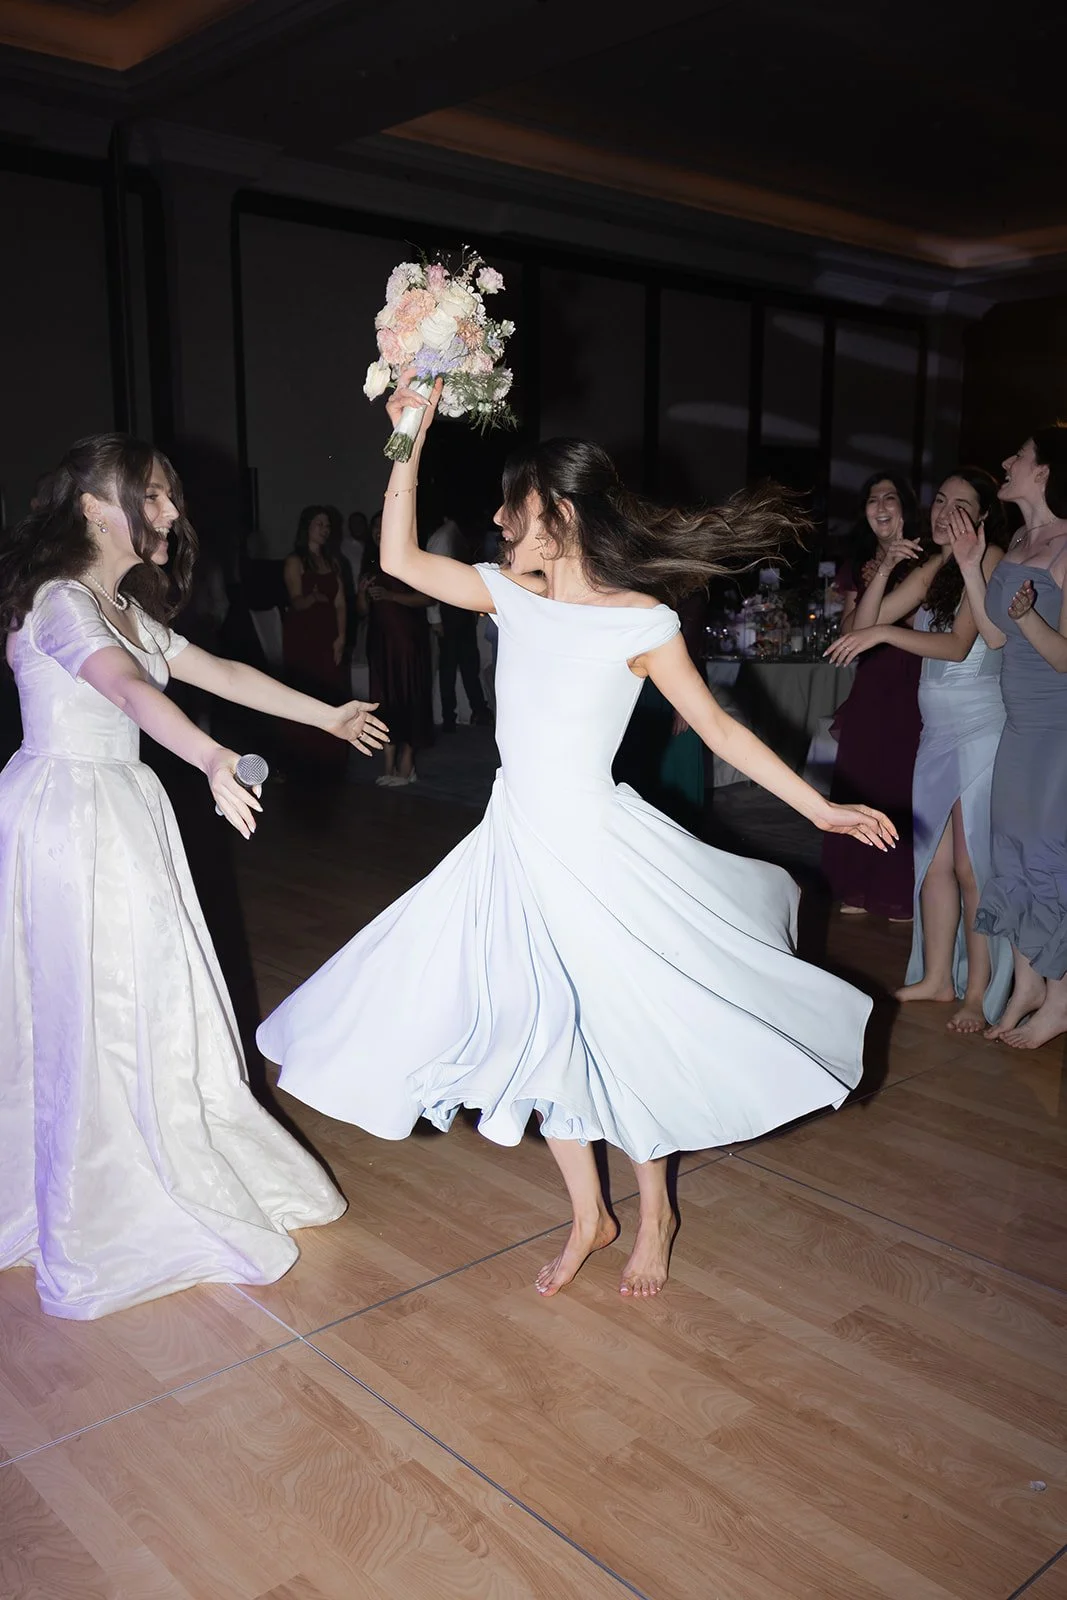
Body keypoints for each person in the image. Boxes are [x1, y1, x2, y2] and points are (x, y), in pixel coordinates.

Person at [258, 375, 896, 1302]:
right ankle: (589, 1214)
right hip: (512, 845)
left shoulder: (641, 621)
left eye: (510, 503)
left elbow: (720, 731)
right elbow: (396, 554)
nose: (495, 517)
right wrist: (407, 432)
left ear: (551, 510)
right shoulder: (506, 595)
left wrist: (819, 808)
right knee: (533, 1025)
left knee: (622, 1026)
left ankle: (655, 1209)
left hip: (598, 852)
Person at [0, 433, 389, 1320]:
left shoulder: (120, 607)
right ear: (97, 508)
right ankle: (92, 1194)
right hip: (68, 813)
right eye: (153, 495)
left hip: (119, 807)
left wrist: (324, 714)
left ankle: (158, 1152)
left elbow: (217, 669)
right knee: (81, 1003)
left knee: (147, 996)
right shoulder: (62, 603)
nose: (171, 512)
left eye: (170, 497)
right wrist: (214, 759)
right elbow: (126, 693)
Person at [825, 468, 1011, 1031]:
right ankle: (936, 977)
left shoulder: (990, 558)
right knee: (930, 864)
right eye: (940, 501)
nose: (944, 511)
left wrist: (883, 635)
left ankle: (976, 993)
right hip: (936, 730)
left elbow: (957, 646)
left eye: (961, 504)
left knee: (969, 864)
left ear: (980, 518)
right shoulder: (935, 562)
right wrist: (883, 565)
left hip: (980, 726)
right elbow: (867, 618)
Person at [950, 428, 1067, 1050]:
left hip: (1059, 726)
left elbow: (1065, 659)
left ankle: (1059, 1000)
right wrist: (972, 565)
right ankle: (1026, 985)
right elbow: (995, 638)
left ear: (1045, 471)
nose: (1007, 463)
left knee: (1051, 854)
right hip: (1018, 722)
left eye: (1018, 456)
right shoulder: (1019, 541)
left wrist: (1026, 617)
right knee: (1013, 849)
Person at [822, 473, 924, 920]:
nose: (880, 506)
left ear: (907, 507)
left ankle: (896, 891)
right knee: (860, 782)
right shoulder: (859, 560)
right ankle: (856, 886)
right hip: (871, 682)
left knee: (901, 785)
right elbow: (850, 633)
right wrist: (876, 572)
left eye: (891, 497)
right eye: (872, 499)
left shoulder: (928, 557)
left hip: (913, 682)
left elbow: (913, 622)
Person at [359, 511, 435, 787]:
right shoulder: (369, 562)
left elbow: (427, 598)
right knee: (383, 698)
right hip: (380, 641)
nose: (379, 531)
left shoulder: (409, 559)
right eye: (375, 527)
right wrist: (362, 594)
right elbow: (362, 610)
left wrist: (391, 596)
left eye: (384, 525)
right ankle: (388, 763)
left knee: (408, 695)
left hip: (407, 641)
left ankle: (407, 763)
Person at [282, 504, 348, 776]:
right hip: (304, 636)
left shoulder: (332, 562)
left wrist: (342, 637)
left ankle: (329, 756)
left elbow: (341, 603)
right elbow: (295, 601)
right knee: (304, 692)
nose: (325, 530)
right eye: (319, 524)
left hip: (328, 635)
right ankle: (301, 758)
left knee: (330, 691)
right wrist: (312, 598)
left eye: (327, 525)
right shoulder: (295, 561)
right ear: (307, 527)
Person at [425, 510, 492, 731]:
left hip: (461, 611)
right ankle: (449, 717)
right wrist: (435, 619)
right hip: (447, 612)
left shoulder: (456, 535)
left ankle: (478, 711)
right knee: (449, 668)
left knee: (468, 664)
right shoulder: (443, 538)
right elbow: (433, 580)